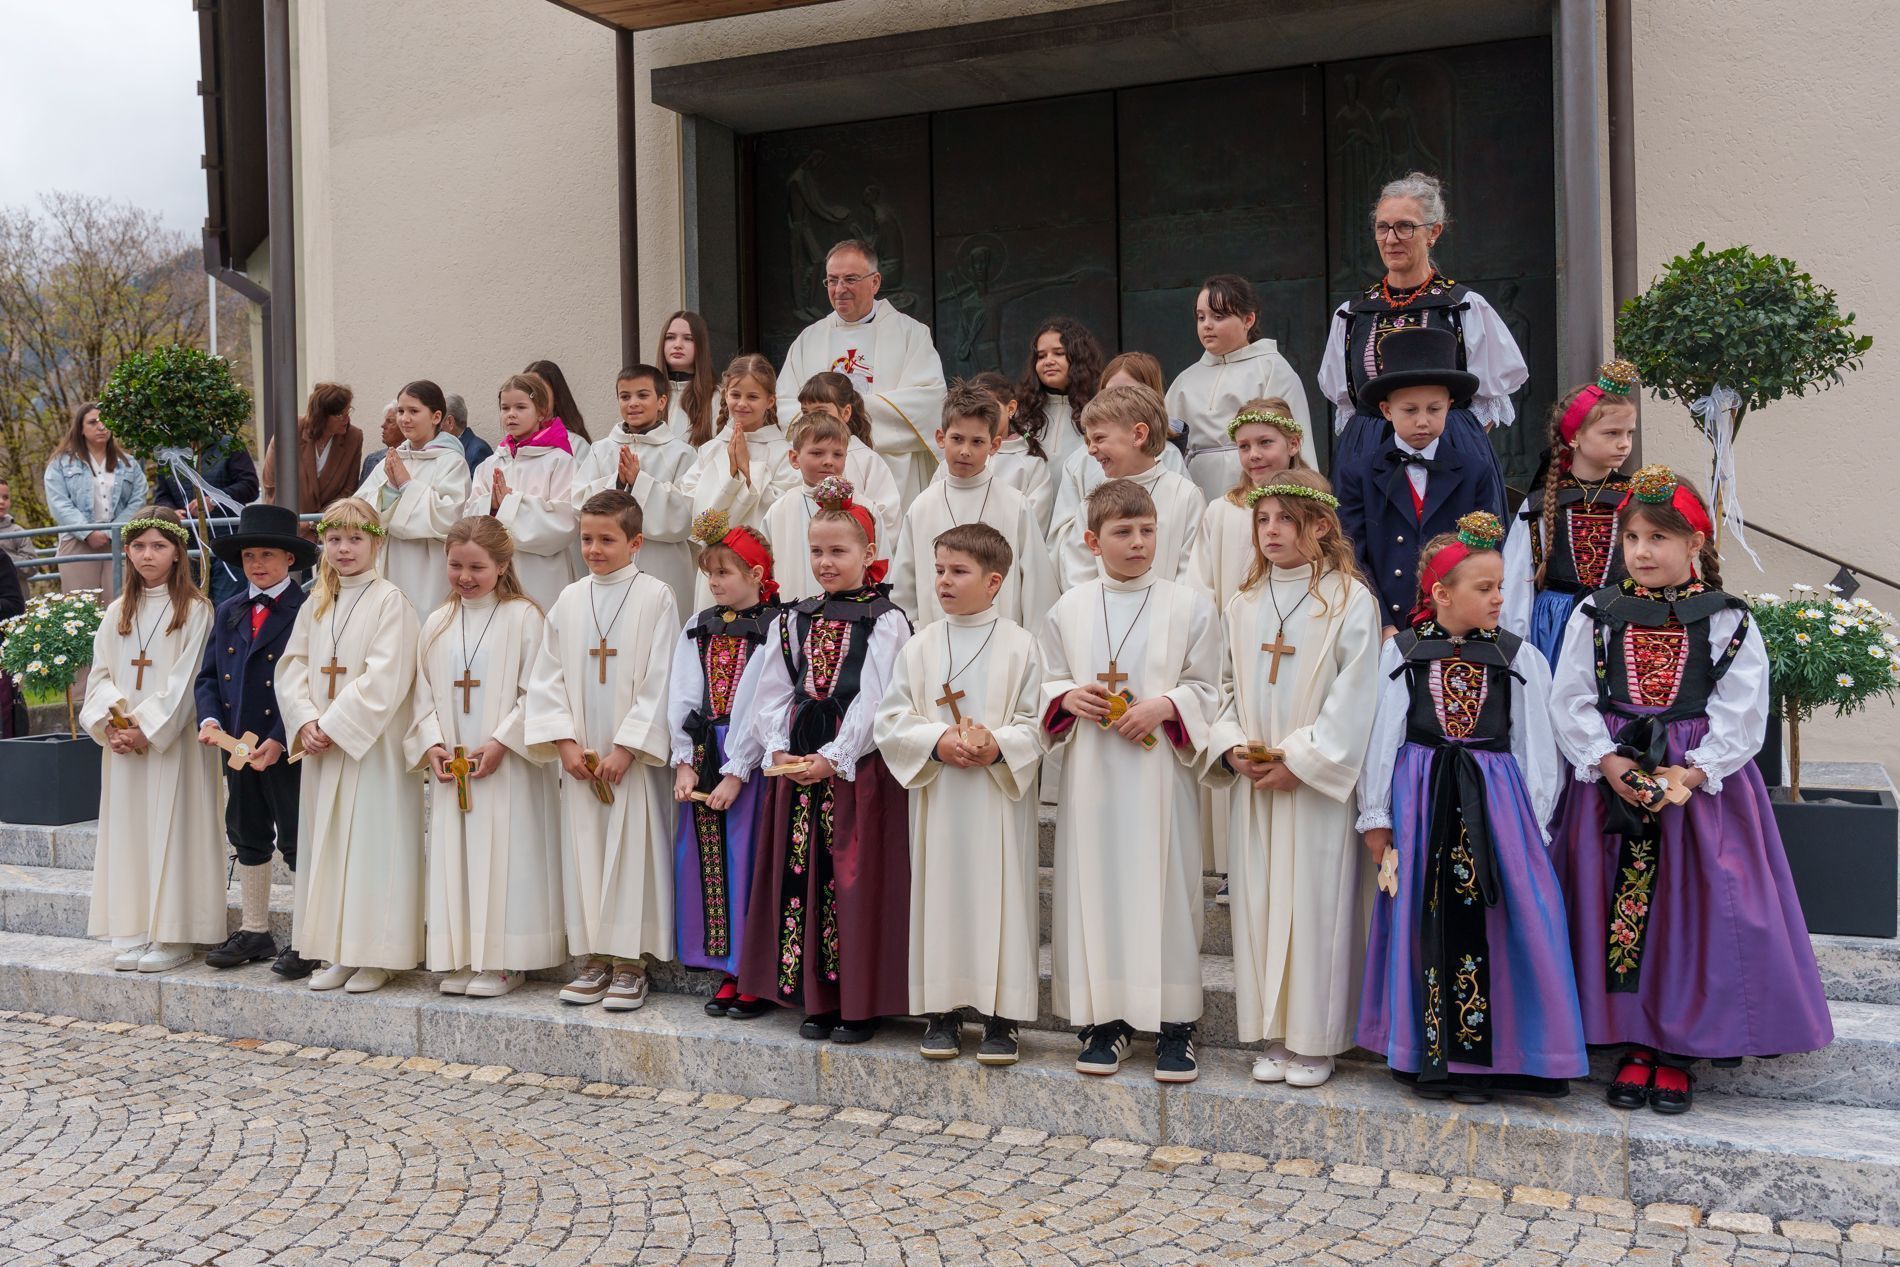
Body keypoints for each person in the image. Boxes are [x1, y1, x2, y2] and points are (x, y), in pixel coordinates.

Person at [1549, 467, 1832, 1115]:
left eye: (1659, 538)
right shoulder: (1598, 612)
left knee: (1691, 914)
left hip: (1702, 795)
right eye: (1633, 538)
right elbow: (1570, 698)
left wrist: (1694, 772)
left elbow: (1742, 710)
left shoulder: (1727, 619)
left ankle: (1676, 1048)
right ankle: (1632, 1039)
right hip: (1612, 785)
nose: (1642, 552)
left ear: (1697, 543)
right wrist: (1606, 761)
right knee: (1619, 908)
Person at [1356, 512, 1587, 1103]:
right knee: (1424, 918)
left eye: (1501, 587)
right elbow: (1383, 735)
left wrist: (1535, 822)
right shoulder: (1403, 653)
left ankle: (1513, 1053)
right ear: (1440, 594)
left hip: (1498, 806)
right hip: (1423, 796)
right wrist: (1377, 814)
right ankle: (1431, 1052)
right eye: (1484, 588)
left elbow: (1536, 746)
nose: (1498, 599)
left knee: (1507, 919)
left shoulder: (1519, 658)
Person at [1203, 471, 1381, 1088]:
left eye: (1284, 519)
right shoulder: (1243, 603)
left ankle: (1317, 1037)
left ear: (1321, 525)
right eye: (1261, 520)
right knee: (1258, 903)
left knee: (1314, 905)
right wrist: (1232, 751)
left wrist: (1299, 761)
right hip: (1257, 782)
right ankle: (1275, 1034)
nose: (1269, 531)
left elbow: (1355, 696)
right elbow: (1222, 688)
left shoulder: (1347, 600)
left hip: (1312, 787)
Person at [1040, 479, 1220, 1082]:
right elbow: (1047, 683)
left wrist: (1166, 706)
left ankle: (1175, 1026)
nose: (1138, 542)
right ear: (1092, 541)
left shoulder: (1188, 605)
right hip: (1093, 775)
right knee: (1099, 888)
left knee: (1165, 887)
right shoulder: (1069, 608)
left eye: (1147, 530)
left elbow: (1209, 687)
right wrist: (1071, 697)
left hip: (1159, 775)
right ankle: (1107, 1021)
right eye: (1123, 532)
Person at [730, 476, 913, 1044]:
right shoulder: (792, 618)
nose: (827, 562)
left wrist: (836, 757)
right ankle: (815, 993)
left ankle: (856, 999)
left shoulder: (886, 619)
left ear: (868, 554)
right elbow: (770, 688)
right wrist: (778, 745)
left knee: (848, 877)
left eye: (839, 551)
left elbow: (880, 697)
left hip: (855, 765)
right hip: (800, 760)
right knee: (800, 873)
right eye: (817, 551)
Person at [876, 522, 1046, 1065]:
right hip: (941, 794)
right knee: (940, 895)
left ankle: (1003, 1017)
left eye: (959, 571)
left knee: (1002, 894)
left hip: (997, 797)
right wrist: (938, 740)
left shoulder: (1022, 646)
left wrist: (997, 745)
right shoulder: (921, 644)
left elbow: (1038, 722)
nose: (944, 581)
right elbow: (893, 718)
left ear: (994, 582)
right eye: (940, 570)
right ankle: (942, 1011)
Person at [525, 489, 681, 1013]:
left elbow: (662, 678)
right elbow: (547, 677)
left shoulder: (656, 596)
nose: (593, 549)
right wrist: (565, 743)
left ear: (635, 542)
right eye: (586, 538)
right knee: (585, 852)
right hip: (581, 756)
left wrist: (627, 747)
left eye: (606, 539)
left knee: (632, 852)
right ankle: (593, 956)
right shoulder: (570, 599)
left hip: (626, 760)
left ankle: (631, 962)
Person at [411, 516, 564, 999]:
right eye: (455, 565)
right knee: (460, 855)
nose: (465, 577)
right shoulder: (437, 622)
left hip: (506, 764)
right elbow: (421, 693)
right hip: (454, 761)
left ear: (502, 565)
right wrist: (431, 742)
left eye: (477, 567)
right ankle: (463, 952)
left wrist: (502, 741)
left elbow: (538, 690)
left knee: (507, 855)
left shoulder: (524, 617)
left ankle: (506, 959)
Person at [279, 497, 423, 994]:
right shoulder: (316, 600)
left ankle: (377, 954)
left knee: (371, 848)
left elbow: (387, 677)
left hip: (371, 751)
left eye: (355, 538)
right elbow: (292, 666)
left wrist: (333, 724)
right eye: (335, 538)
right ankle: (338, 949)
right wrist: (305, 720)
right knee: (330, 848)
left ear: (376, 543)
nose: (344, 549)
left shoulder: (391, 601)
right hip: (322, 747)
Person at [80, 508, 221, 974]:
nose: (147, 555)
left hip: (172, 744)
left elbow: (187, 681)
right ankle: (140, 928)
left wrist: (146, 727)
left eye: (159, 546)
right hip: (125, 745)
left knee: (174, 831)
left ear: (178, 552)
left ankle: (176, 932)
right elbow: (99, 675)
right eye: (139, 546)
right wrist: (113, 724)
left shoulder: (196, 611)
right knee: (134, 833)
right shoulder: (117, 611)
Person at [1319, 172, 1526, 478]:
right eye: (1383, 228)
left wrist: (1442, 442)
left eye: (1405, 226)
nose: (1391, 239)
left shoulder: (1463, 306)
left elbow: (1488, 401)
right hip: (1369, 461)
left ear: (1433, 232)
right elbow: (1347, 403)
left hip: (1450, 458)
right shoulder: (1352, 314)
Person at [194, 503, 322, 980]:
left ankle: (311, 934)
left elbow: (305, 683)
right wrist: (209, 719)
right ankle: (254, 929)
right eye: (249, 555)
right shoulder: (228, 609)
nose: (257, 564)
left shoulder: (307, 609)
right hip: (237, 749)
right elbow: (208, 677)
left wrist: (280, 738)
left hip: (284, 748)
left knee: (295, 838)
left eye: (267, 554)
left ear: (290, 559)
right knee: (246, 832)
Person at [669, 510, 780, 1019]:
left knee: (749, 861)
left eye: (725, 573)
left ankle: (753, 970)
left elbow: (763, 701)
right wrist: (685, 762)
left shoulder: (776, 625)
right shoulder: (700, 625)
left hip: (749, 757)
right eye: (709, 574)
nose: (713, 583)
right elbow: (685, 695)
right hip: (706, 749)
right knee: (711, 864)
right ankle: (726, 968)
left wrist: (738, 769)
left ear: (756, 575)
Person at [1335, 326, 1506, 634]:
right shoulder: (1357, 474)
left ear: (1450, 407)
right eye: (1410, 410)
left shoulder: (1474, 472)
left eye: (1434, 409)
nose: (1423, 421)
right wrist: (1382, 621)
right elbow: (1352, 555)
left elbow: (1482, 553)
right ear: (1387, 410)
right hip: (1387, 626)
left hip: (1454, 623)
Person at [776, 239, 947, 502]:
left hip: (891, 469)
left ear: (875, 282)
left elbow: (929, 402)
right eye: (832, 280)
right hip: (821, 472)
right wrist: (830, 425)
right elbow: (786, 407)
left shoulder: (911, 334)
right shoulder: (808, 339)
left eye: (850, 279)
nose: (840, 289)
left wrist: (841, 412)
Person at [1502, 362, 1638, 663]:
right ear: (1575, 436)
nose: (1624, 443)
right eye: (1612, 433)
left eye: (1629, 433)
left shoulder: (1634, 498)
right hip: (1555, 625)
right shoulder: (1542, 501)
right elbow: (1517, 577)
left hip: (1620, 620)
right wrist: (1515, 649)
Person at [890, 381, 1055, 630]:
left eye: (977, 442)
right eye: (957, 439)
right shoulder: (922, 507)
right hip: (936, 642)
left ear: (995, 446)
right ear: (940, 438)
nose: (965, 451)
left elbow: (1037, 587)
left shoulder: (1014, 505)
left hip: (1001, 642)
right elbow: (904, 589)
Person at [1165, 274, 1311, 500]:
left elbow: (1298, 441)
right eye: (1201, 317)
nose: (1207, 325)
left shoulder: (1271, 368)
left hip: (1257, 488)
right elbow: (1167, 447)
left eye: (1218, 316)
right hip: (1195, 488)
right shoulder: (1185, 380)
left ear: (1248, 319)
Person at [571, 364, 699, 619]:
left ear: (661, 401)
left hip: (662, 564)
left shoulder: (682, 453)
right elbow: (578, 503)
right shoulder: (601, 450)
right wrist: (617, 482)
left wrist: (640, 482)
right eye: (625, 396)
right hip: (608, 567)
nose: (633, 403)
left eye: (642, 395)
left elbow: (686, 515)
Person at [1050, 385, 1203, 592]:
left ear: (1138, 435)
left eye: (1099, 438)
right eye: (1089, 440)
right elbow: (1078, 573)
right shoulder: (1092, 501)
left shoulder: (1185, 495)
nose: (1091, 450)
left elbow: (1192, 571)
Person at [355, 380, 471, 616]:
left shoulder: (451, 462)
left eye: (413, 411)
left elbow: (451, 517)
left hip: (429, 569)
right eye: (400, 411)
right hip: (391, 561)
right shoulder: (393, 458)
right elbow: (361, 508)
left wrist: (407, 486)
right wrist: (388, 491)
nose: (404, 419)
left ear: (436, 416)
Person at [466, 373, 578, 611]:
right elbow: (469, 517)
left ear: (541, 411)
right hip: (497, 571)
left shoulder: (559, 461)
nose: (511, 414)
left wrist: (509, 503)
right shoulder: (491, 464)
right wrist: (492, 506)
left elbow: (565, 522)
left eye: (520, 407)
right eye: (505, 408)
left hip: (542, 572)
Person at [1048, 353, 1189, 528]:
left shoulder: (1169, 457)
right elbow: (1064, 530)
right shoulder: (1080, 461)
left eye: (1129, 391)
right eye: (1110, 391)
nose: (1117, 398)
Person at [683, 354, 799, 540]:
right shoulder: (711, 449)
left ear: (770, 401)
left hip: (762, 555)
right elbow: (690, 498)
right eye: (735, 395)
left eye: (752, 397)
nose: (742, 404)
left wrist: (746, 470)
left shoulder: (785, 453)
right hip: (715, 557)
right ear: (725, 395)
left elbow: (788, 507)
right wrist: (730, 472)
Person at [44, 401, 149, 594]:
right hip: (77, 542)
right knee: (81, 609)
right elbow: (58, 503)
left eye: (105, 421)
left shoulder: (129, 463)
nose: (101, 427)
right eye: (93, 422)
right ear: (80, 429)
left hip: (119, 541)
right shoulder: (60, 464)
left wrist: (113, 532)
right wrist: (87, 533)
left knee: (120, 603)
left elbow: (138, 499)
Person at [795, 370, 902, 547]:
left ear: (845, 413)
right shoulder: (803, 457)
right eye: (805, 412)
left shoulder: (867, 461)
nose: (813, 419)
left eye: (821, 411)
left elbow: (888, 520)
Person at [154, 433, 260, 606]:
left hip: (227, 543)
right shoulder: (168, 450)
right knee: (191, 606)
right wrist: (172, 511)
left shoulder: (229, 445)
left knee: (228, 606)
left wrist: (214, 500)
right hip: (188, 546)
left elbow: (249, 486)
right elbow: (162, 495)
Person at [761, 411, 850, 605]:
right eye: (817, 453)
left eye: (837, 454)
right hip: (794, 614)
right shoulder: (779, 511)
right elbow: (766, 572)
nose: (828, 461)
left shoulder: (863, 506)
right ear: (794, 458)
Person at [262, 382, 364, 538]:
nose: (347, 419)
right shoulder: (290, 429)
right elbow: (271, 484)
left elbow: (348, 490)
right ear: (321, 415)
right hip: (287, 528)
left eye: (348, 411)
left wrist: (314, 522)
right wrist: (294, 521)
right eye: (340, 415)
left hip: (328, 530)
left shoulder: (354, 437)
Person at [962, 371, 1054, 534]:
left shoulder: (1031, 464)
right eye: (974, 409)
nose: (982, 417)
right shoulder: (958, 458)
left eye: (989, 408)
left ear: (1010, 408)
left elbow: (1033, 526)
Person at [1016, 318, 1105, 475]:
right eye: (1041, 356)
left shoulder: (1101, 410)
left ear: (1079, 357)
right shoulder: (1022, 411)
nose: (1048, 361)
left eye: (1059, 353)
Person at [656, 310, 718, 446]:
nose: (677, 345)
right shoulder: (648, 396)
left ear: (701, 345)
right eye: (670, 337)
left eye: (688, 338)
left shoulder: (716, 398)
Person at [523, 359, 593, 463]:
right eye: (528, 393)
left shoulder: (576, 445)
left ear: (556, 397)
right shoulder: (510, 447)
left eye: (540, 392)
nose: (534, 400)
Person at [443, 392, 494, 472]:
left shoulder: (478, 451)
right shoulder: (449, 447)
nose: (434, 424)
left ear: (450, 422)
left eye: (438, 419)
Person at [0, 478, 41, 565]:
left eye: (5, 497)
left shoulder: (17, 532)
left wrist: (5, 560)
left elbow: (32, 564)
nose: (2, 501)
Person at [359, 402, 402, 485]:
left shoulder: (413, 460)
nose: (383, 425)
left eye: (390, 421)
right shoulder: (371, 460)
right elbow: (359, 496)